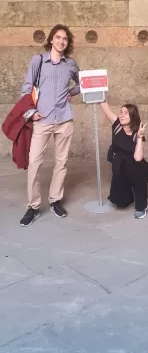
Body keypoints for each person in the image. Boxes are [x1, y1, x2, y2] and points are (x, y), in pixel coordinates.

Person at [20, 24, 80, 227]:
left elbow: (84, 82)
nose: (62, 41)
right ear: (51, 40)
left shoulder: (70, 64)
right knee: (35, 163)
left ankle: (55, 200)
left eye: (65, 38)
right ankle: (33, 206)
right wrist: (31, 113)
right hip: (42, 119)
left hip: (64, 119)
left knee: (61, 163)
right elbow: (26, 88)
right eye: (58, 37)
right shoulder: (38, 61)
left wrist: (70, 93)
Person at [100, 101, 148, 219]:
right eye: (121, 112)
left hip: (135, 166)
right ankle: (128, 194)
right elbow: (104, 104)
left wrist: (139, 138)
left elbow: (138, 158)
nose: (122, 115)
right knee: (120, 201)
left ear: (132, 116)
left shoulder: (138, 132)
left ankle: (142, 205)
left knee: (138, 171)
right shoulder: (117, 124)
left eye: (126, 113)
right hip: (120, 165)